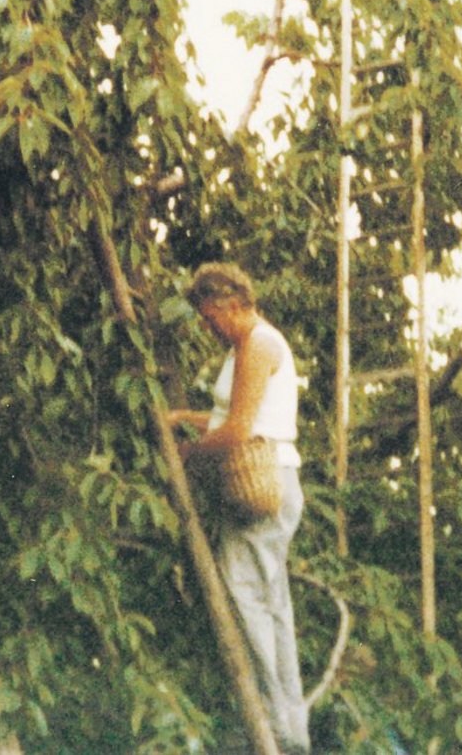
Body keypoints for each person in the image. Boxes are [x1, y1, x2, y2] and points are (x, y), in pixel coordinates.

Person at [169, 262, 310, 755]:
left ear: (230, 304)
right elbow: (230, 415)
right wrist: (183, 418)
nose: (209, 328)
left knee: (246, 594)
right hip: (263, 482)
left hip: (265, 483)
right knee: (271, 602)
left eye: (211, 318)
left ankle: (272, 718)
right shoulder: (244, 347)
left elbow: (238, 430)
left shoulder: (259, 344)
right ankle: (290, 725)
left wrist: (186, 452)